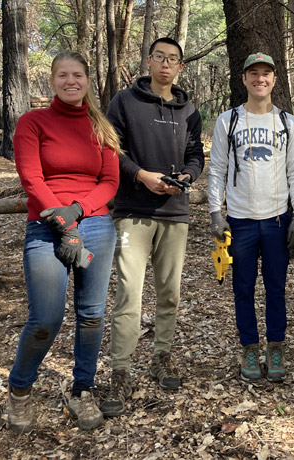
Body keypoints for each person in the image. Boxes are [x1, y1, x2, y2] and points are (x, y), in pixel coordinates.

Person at [7, 50, 121, 432]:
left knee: (91, 316)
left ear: (88, 81)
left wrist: (77, 211)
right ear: (53, 80)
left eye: (78, 76)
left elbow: (110, 182)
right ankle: (19, 391)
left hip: (96, 225)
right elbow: (31, 179)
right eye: (63, 75)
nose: (71, 82)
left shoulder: (101, 126)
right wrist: (63, 221)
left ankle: (81, 390)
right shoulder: (32, 122)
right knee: (46, 318)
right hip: (44, 226)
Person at [101, 37, 204, 416]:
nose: (165, 64)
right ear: (149, 61)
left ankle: (162, 356)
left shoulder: (189, 109)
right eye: (159, 57)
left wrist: (187, 177)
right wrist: (141, 175)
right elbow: (111, 149)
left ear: (179, 66)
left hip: (175, 212)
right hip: (133, 210)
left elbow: (196, 154)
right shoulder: (124, 102)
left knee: (170, 293)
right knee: (130, 292)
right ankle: (121, 370)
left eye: (173, 59)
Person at [207, 52, 294, 382]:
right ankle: (249, 347)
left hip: (277, 219)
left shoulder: (288, 123)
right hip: (240, 220)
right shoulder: (228, 121)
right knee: (243, 287)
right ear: (245, 79)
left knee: (276, 288)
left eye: (266, 73)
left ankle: (275, 346)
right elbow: (218, 168)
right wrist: (215, 213)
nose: (260, 78)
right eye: (254, 73)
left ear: (274, 79)